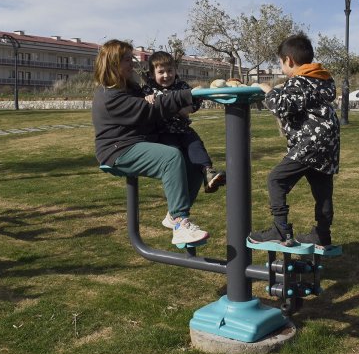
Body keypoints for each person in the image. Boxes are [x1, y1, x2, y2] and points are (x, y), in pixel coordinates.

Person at [92, 39, 208, 245]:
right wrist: (189, 94)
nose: (132, 64)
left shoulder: (131, 87)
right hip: (119, 149)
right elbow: (152, 109)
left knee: (195, 162)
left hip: (139, 141)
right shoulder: (109, 96)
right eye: (127, 60)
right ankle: (181, 224)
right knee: (170, 158)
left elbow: (156, 99)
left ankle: (174, 216)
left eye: (131, 58)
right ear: (113, 64)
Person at [248, 32, 340, 247]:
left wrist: (267, 90)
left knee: (276, 180)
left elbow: (282, 107)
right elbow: (300, 103)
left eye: (281, 63)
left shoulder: (299, 82)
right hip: (327, 146)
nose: (282, 67)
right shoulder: (320, 80)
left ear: (288, 60)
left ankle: (280, 230)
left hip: (310, 144)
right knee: (322, 191)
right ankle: (322, 234)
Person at [141, 51, 226, 193]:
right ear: (152, 74)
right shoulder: (149, 89)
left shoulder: (182, 86)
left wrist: (188, 109)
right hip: (163, 131)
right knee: (175, 154)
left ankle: (208, 172)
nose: (166, 75)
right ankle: (177, 186)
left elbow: (196, 100)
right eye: (161, 72)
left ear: (176, 70)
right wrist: (147, 98)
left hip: (182, 128)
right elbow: (143, 106)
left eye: (170, 70)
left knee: (196, 145)